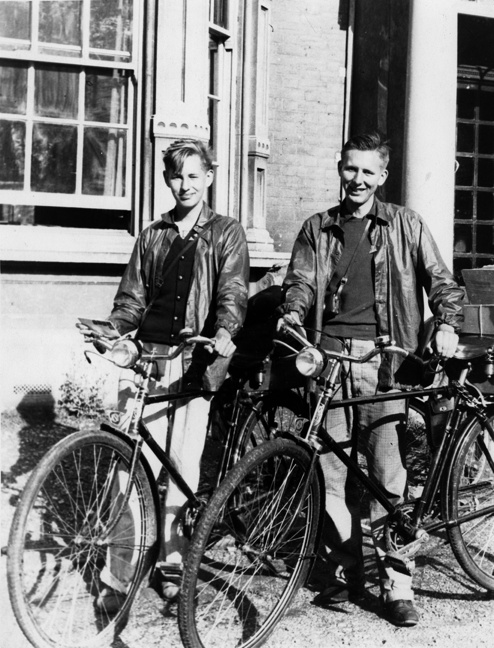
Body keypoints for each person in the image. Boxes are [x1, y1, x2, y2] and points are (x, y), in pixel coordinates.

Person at [280, 132, 464, 626]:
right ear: (339, 170)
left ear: (382, 176)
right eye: (349, 169)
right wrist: (293, 313)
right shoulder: (317, 229)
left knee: (388, 477)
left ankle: (396, 583)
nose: (357, 179)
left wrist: (446, 322)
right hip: (328, 361)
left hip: (385, 365)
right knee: (330, 473)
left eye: (367, 171)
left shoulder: (405, 224)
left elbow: (442, 282)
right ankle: (345, 572)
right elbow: (299, 282)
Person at [93, 138, 249, 610]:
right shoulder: (153, 235)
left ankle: (172, 564)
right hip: (145, 359)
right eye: (177, 176)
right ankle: (119, 572)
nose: (186, 184)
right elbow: (131, 299)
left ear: (209, 178)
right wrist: (113, 332)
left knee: (182, 465)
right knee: (131, 466)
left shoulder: (226, 233)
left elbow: (234, 291)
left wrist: (225, 330)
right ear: (167, 179)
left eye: (194, 175)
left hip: (194, 360)